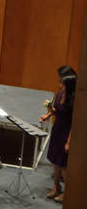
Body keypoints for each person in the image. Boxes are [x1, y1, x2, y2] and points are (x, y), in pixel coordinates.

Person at [41, 66, 75, 201]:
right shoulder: (60, 94)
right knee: (55, 161)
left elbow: (74, 122)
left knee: (63, 164)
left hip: (66, 132)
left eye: (63, 84)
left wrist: (69, 142)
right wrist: (48, 114)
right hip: (57, 129)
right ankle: (56, 186)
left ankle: (68, 191)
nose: (60, 85)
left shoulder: (73, 100)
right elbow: (56, 110)